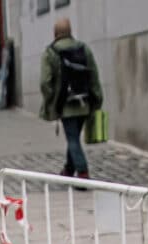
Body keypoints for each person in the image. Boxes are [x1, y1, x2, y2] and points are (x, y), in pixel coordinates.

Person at [39, 16, 102, 181]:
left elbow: (45, 82)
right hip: (85, 103)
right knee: (73, 137)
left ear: (55, 33)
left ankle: (82, 172)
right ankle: (68, 169)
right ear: (70, 31)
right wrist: (97, 99)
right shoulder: (84, 49)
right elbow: (94, 75)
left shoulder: (50, 52)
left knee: (72, 138)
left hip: (65, 104)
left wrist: (50, 99)